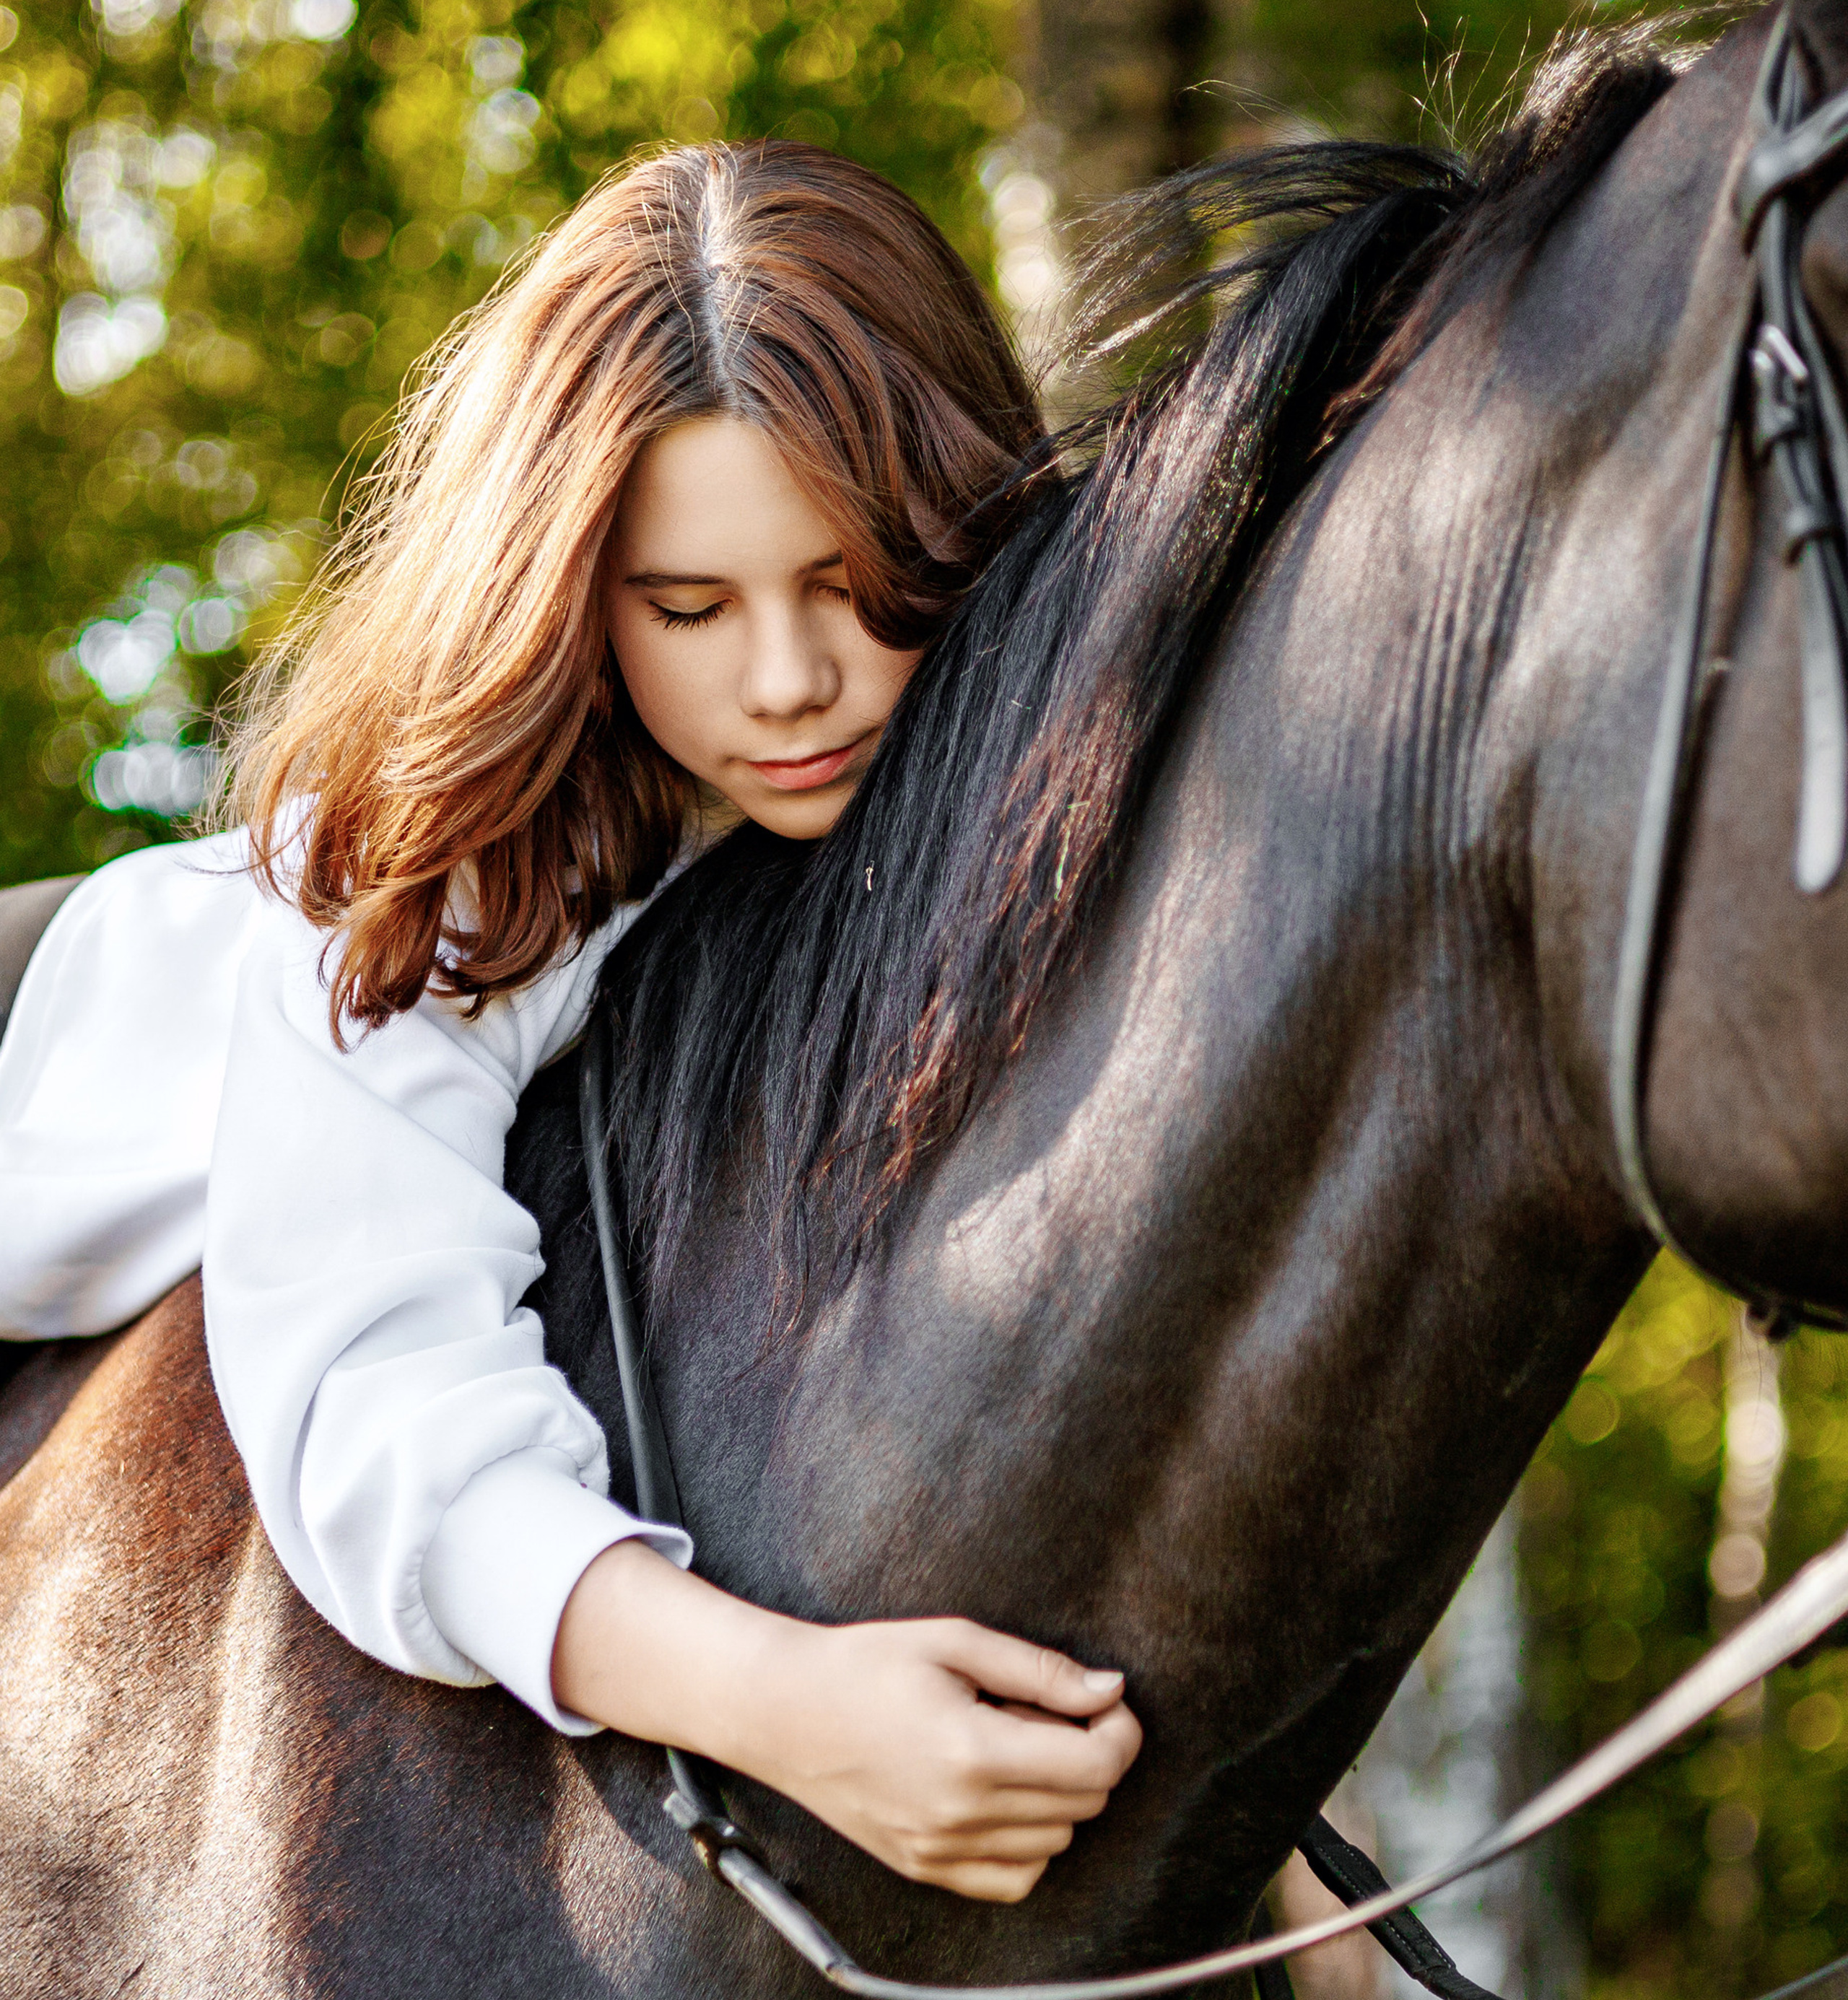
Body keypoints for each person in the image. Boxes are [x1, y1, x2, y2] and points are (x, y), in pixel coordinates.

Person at [0, 141, 1141, 1905]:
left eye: (851, 581)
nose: (786, 679)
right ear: (568, 588)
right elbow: (377, 1412)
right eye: (688, 609)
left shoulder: (964, 774)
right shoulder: (434, 868)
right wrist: (784, 1708)